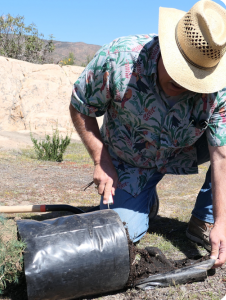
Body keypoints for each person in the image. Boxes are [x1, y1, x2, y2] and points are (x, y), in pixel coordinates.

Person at [69, 0, 226, 269]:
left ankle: (204, 218)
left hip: (185, 149)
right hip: (130, 157)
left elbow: (222, 156)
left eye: (195, 78)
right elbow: (80, 106)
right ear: (167, 47)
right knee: (122, 233)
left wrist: (222, 220)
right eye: (179, 74)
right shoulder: (119, 58)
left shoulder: (219, 87)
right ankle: (143, 195)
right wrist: (100, 159)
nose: (184, 85)